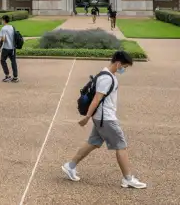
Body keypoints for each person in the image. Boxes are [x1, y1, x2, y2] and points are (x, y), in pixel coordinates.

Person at [62, 50, 146, 189]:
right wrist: (87, 117)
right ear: (118, 63)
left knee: (93, 143)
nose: (124, 69)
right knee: (121, 145)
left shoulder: (106, 74)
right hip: (105, 119)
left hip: (101, 117)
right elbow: (96, 99)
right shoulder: (107, 78)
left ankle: (70, 166)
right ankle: (128, 179)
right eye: (124, 66)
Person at [0, 15, 19, 83]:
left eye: (2, 20)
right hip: (13, 48)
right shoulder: (12, 27)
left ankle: (7, 75)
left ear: (3, 20)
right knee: (13, 62)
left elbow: (3, 39)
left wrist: (0, 47)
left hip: (6, 48)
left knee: (2, 60)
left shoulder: (4, 28)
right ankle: (15, 77)